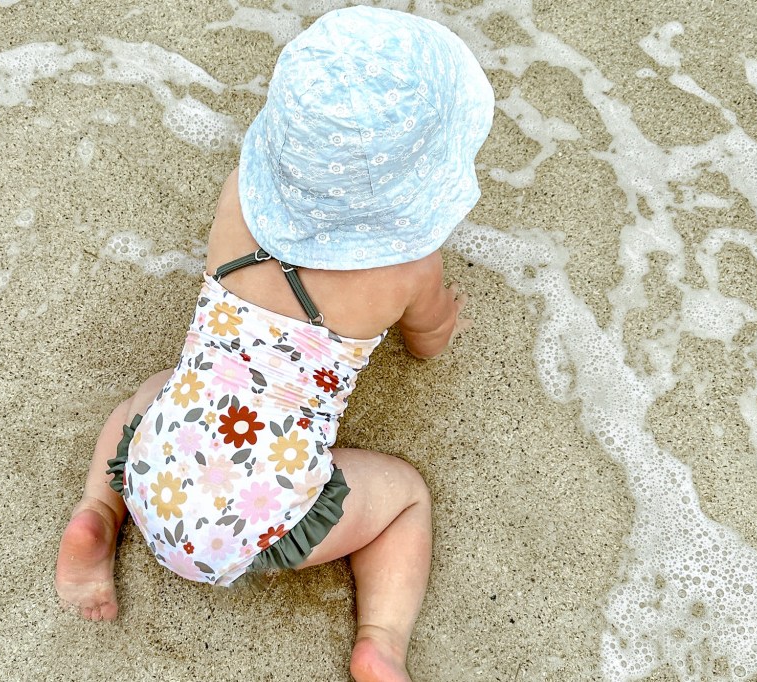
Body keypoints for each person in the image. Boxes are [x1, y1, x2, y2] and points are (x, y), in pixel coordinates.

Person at [55, 6, 494, 681]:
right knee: (404, 497)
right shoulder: (408, 270)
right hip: (263, 522)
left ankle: (98, 511)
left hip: (158, 465)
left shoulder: (238, 198)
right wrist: (439, 325)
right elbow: (427, 340)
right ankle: (380, 638)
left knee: (154, 392)